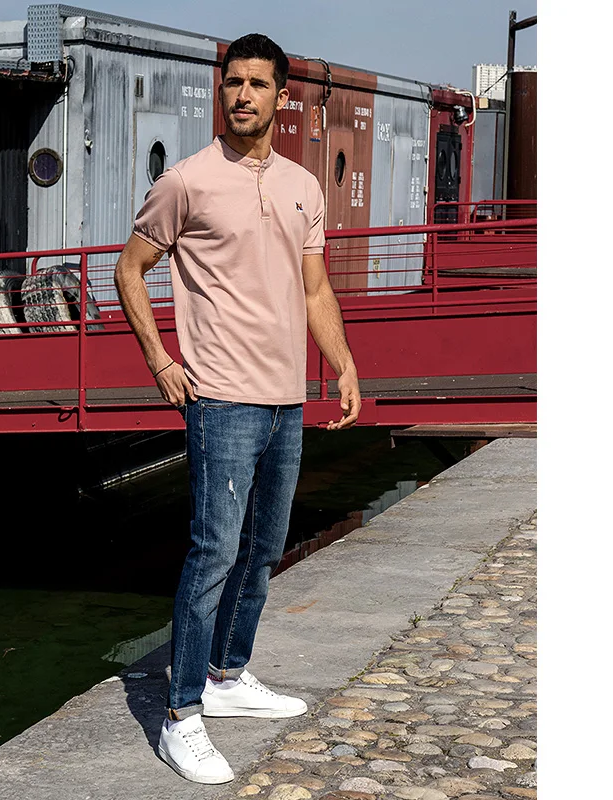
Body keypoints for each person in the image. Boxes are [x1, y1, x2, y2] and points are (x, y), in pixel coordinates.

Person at [113, 32, 361, 784]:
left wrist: (344, 364)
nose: (243, 95)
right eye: (233, 83)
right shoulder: (186, 182)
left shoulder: (303, 185)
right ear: (221, 92)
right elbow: (130, 268)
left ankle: (226, 674)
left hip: (287, 397)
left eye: (257, 84)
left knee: (264, 548)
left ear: (281, 96)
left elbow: (315, 288)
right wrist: (161, 360)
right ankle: (180, 715)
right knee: (214, 551)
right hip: (221, 396)